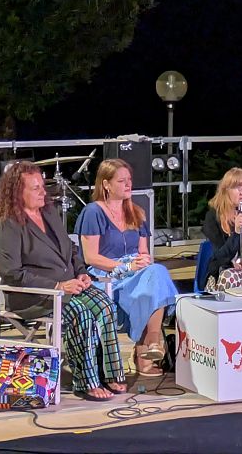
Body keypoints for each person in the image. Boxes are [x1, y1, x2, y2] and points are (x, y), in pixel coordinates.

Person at [0, 161, 125, 401]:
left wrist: (81, 271)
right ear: (17, 192)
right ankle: (86, 381)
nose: (43, 192)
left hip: (69, 285)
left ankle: (110, 373)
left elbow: (70, 249)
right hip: (34, 295)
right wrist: (57, 286)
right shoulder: (7, 224)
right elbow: (12, 273)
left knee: (104, 305)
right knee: (81, 313)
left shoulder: (48, 212)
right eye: (36, 188)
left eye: (43, 186)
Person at [74, 159, 177, 378]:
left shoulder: (136, 212)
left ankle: (151, 341)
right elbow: (91, 257)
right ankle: (148, 346)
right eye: (121, 181)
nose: (128, 184)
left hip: (136, 272)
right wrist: (125, 266)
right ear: (106, 184)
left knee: (156, 273)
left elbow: (144, 252)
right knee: (154, 280)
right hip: (106, 274)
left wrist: (141, 262)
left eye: (129, 180)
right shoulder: (93, 212)